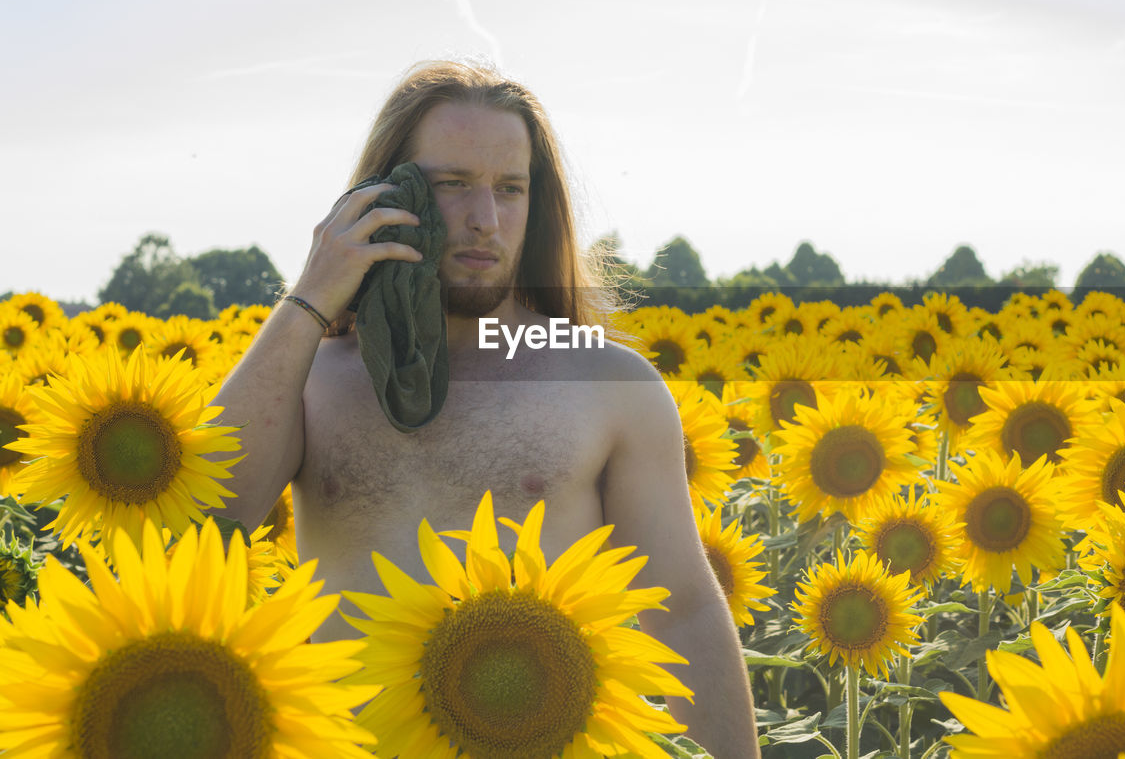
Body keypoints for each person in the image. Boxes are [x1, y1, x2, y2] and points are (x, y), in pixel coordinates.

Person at [211, 60, 761, 756]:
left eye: (510, 189)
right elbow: (209, 517)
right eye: (451, 185)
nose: (483, 220)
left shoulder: (607, 383)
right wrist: (312, 297)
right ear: (385, 193)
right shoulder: (313, 380)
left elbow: (684, 609)